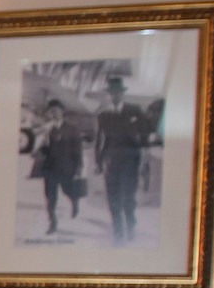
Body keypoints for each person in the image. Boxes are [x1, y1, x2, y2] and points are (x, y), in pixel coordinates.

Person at [93, 73, 152, 245]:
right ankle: (118, 231)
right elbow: (100, 140)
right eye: (112, 92)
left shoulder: (135, 111)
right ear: (109, 94)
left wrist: (144, 162)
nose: (115, 95)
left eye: (118, 92)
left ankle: (131, 226)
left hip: (131, 162)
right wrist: (98, 162)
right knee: (113, 198)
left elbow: (144, 137)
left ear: (123, 93)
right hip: (111, 163)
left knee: (128, 198)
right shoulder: (103, 115)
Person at [33, 100, 86, 236]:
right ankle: (52, 222)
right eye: (51, 111)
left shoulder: (72, 128)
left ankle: (74, 201)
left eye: (56, 110)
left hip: (67, 168)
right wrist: (39, 152)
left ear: (62, 111)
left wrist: (79, 166)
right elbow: (45, 147)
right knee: (50, 197)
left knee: (67, 190)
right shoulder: (48, 128)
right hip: (50, 168)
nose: (53, 113)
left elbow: (78, 148)